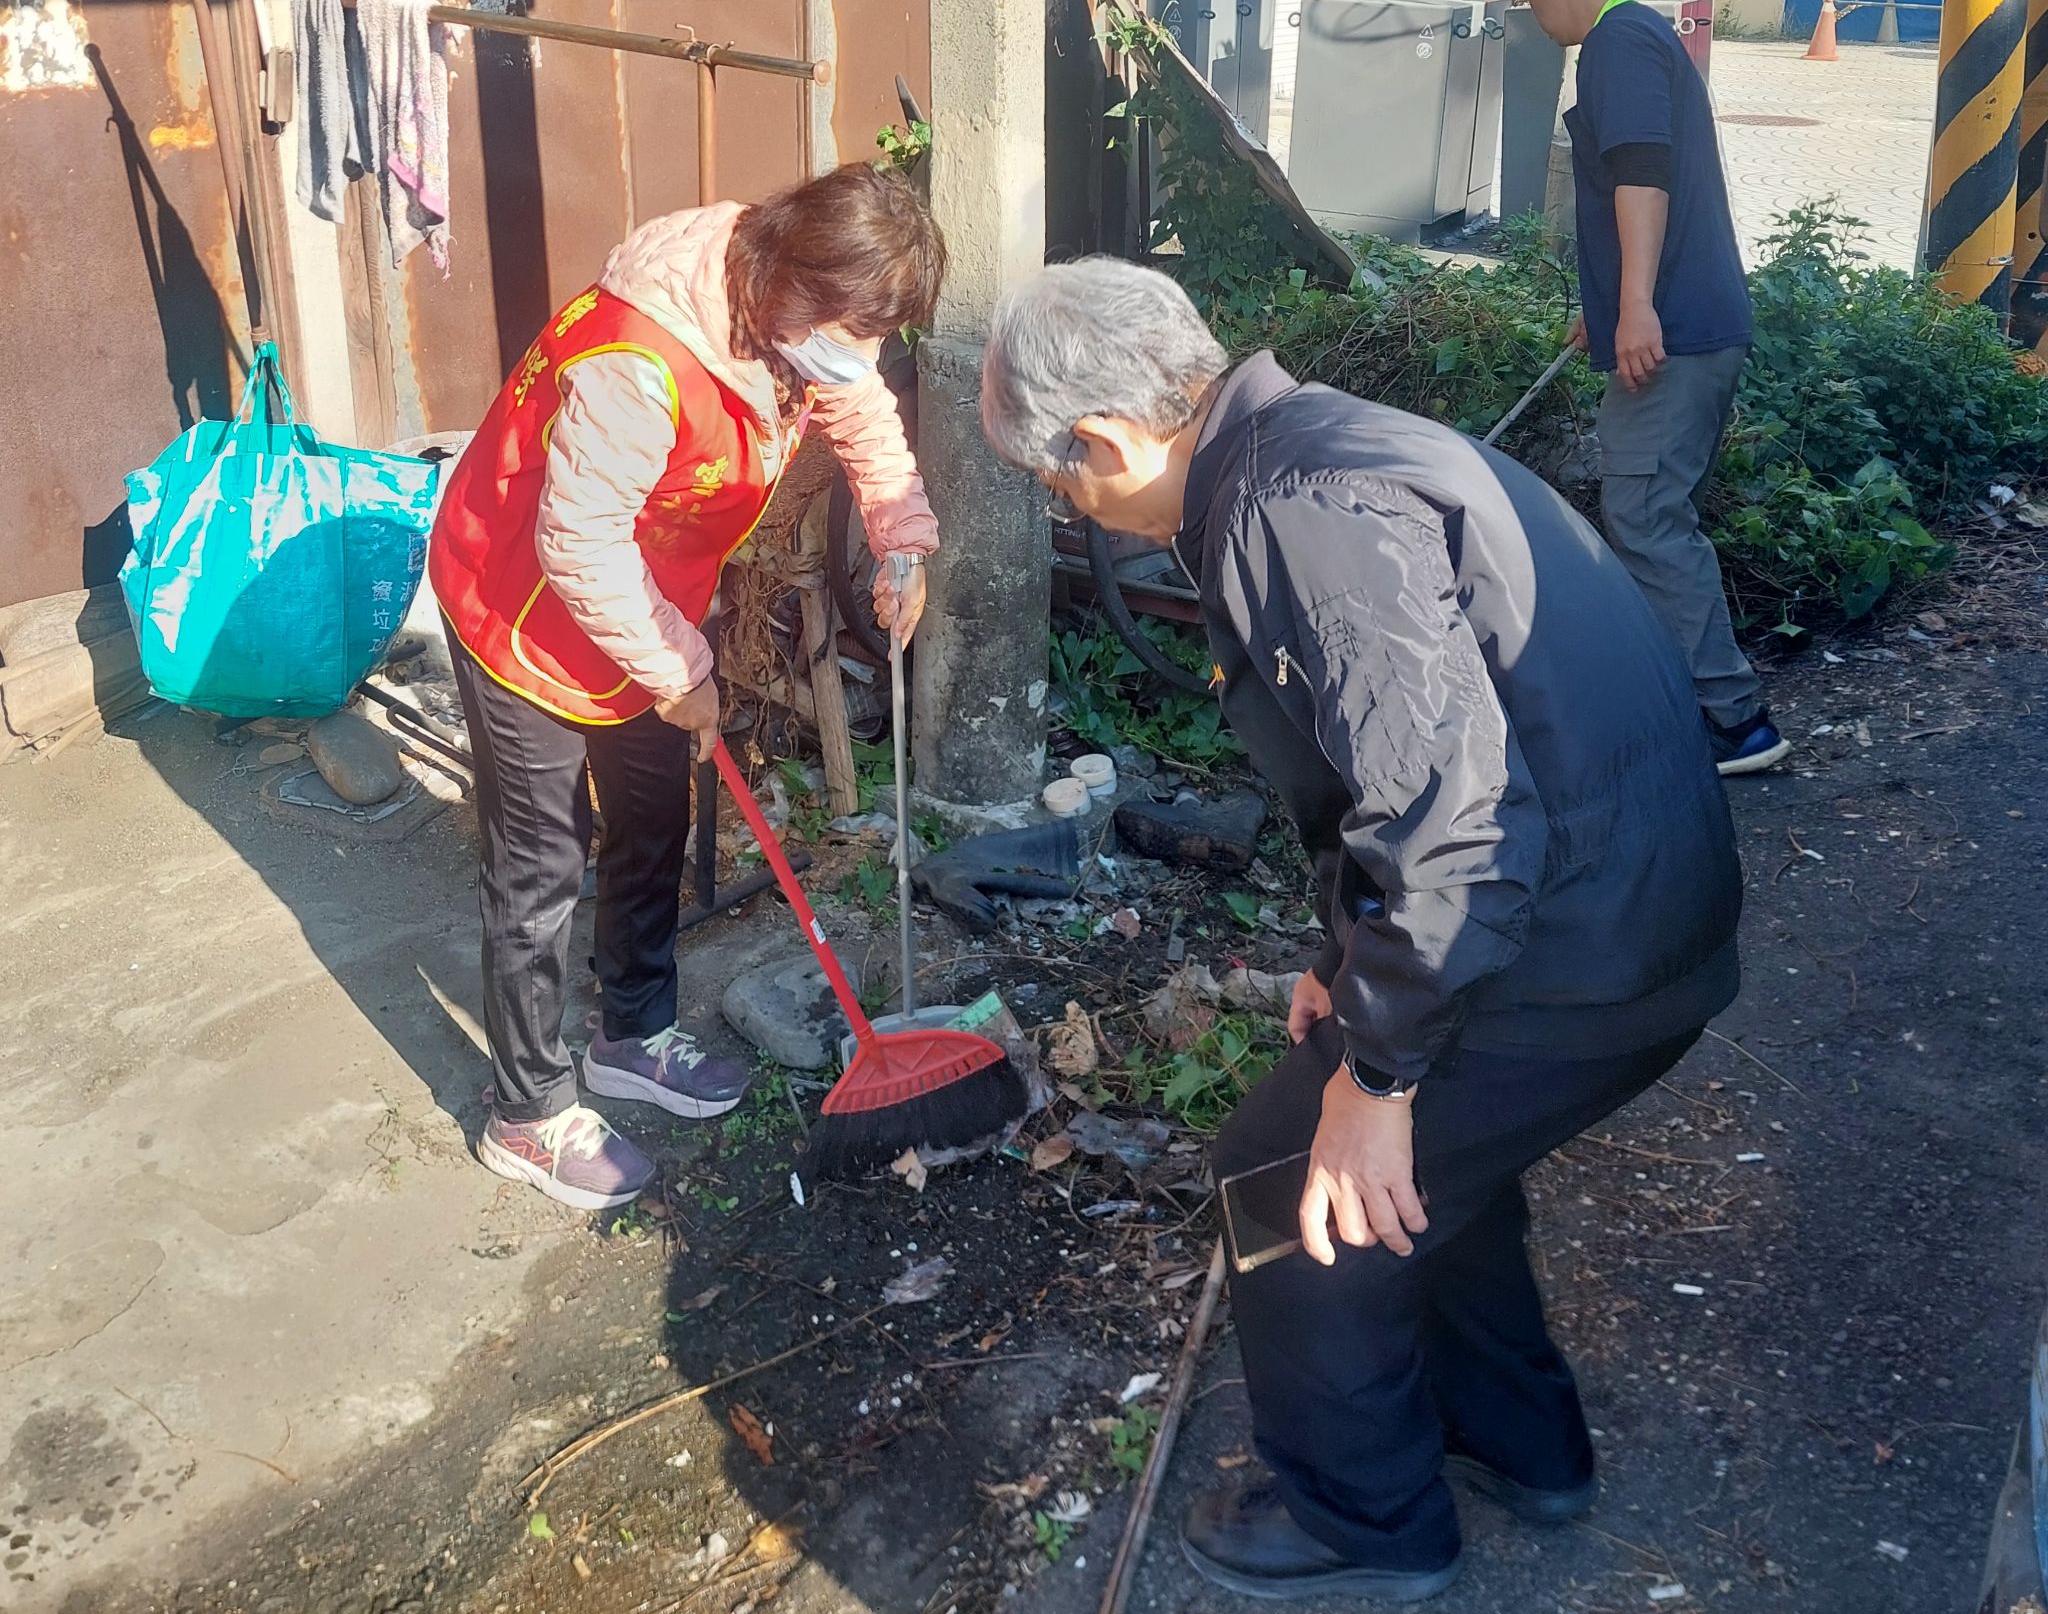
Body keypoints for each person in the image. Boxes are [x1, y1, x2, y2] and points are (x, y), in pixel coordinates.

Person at [981, 260, 1743, 1602]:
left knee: (1288, 1169)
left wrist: (1378, 1075)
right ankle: (1516, 1441)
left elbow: (1457, 822)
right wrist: (1349, 967)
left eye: (1057, 483)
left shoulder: (1293, 510)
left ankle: (1366, 1520)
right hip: (1625, 906)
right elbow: (1401, 770)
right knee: (1427, 1164)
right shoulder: (1312, 443)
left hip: (1577, 943)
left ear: (1103, 440)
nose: (1070, 507)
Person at [430, 165, 944, 1211]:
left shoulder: (788, 316)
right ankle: (526, 1111)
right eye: (852, 330)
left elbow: (859, 412)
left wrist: (899, 534)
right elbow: (579, 544)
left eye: (878, 336)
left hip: (644, 600)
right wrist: (680, 673)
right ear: (793, 281)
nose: (861, 359)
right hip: (523, 597)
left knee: (655, 816)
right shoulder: (642, 355)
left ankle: (629, 1031)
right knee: (539, 863)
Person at [1511, 0, 1790, 776]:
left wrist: (1635, 306)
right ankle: (1682, 701)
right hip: (1689, 324)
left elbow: (1642, 174)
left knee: (1643, 514)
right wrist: (1605, 307)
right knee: (1653, 513)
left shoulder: (1618, 44)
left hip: (1676, 334)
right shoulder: (1643, 34)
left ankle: (1734, 722)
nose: (1533, 13)